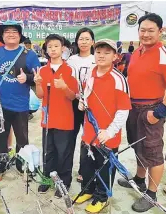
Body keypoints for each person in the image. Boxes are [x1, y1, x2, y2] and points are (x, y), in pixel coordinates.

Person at [117, 13, 166, 212]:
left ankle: (151, 194)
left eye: (150, 30)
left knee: (153, 153)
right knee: (137, 145)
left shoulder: (164, 55)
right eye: (142, 30)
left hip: (151, 109)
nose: (146, 34)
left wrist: (159, 113)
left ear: (160, 31)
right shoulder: (138, 52)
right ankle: (139, 179)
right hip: (133, 108)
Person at [73, 39, 131, 213]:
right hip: (89, 131)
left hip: (107, 134)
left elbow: (123, 111)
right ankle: (88, 190)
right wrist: (82, 103)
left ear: (115, 56)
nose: (102, 55)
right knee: (87, 163)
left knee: (105, 167)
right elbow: (85, 94)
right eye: (98, 52)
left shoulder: (119, 79)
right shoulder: (90, 73)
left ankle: (102, 196)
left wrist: (110, 131)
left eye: (107, 52)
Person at [0, 21, 40, 180]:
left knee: (22, 137)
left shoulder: (29, 54)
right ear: (2, 36)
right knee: (1, 135)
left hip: (21, 104)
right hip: (0, 104)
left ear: (20, 35)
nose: (11, 34)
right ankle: (0, 165)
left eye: (14, 31)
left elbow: (38, 77)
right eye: (7, 32)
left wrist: (27, 78)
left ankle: (22, 164)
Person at [34, 34, 78, 197]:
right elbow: (40, 95)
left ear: (63, 49)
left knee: (63, 153)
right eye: (49, 46)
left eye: (56, 46)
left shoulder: (69, 69)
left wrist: (64, 87)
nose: (52, 49)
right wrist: (38, 83)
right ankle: (47, 179)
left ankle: (63, 183)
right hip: (47, 119)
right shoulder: (43, 69)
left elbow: (73, 96)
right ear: (46, 49)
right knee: (48, 151)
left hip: (64, 119)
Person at [67, 27, 95, 183]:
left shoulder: (96, 59)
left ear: (92, 41)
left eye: (87, 39)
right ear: (76, 41)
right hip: (73, 103)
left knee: (87, 138)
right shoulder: (71, 60)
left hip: (90, 106)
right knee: (70, 137)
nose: (83, 42)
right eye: (81, 39)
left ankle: (84, 170)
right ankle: (66, 168)